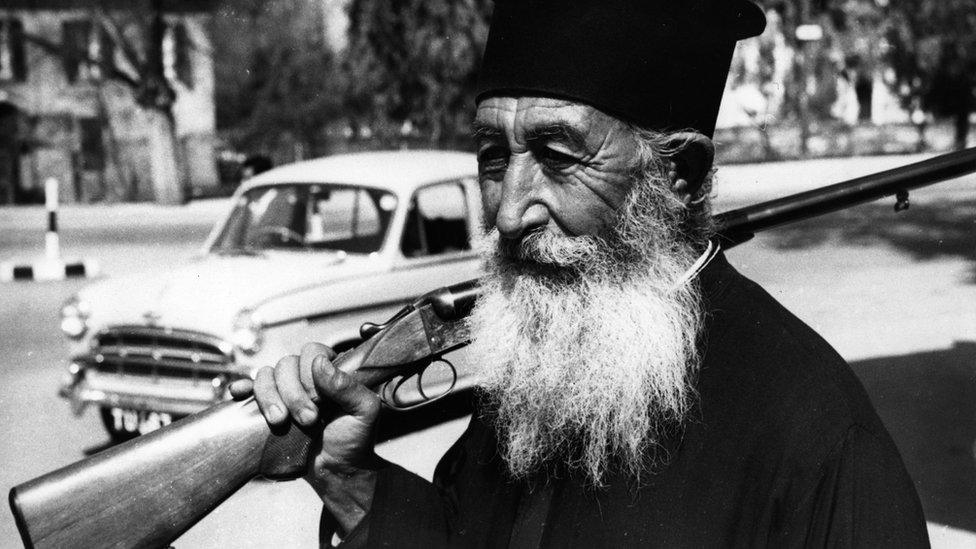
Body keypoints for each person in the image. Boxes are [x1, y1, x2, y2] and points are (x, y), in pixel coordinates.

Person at [232, 0, 930, 546]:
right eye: (494, 156)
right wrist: (352, 481)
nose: (508, 214)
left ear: (678, 175)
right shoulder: (554, 360)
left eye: (559, 157)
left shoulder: (819, 438)